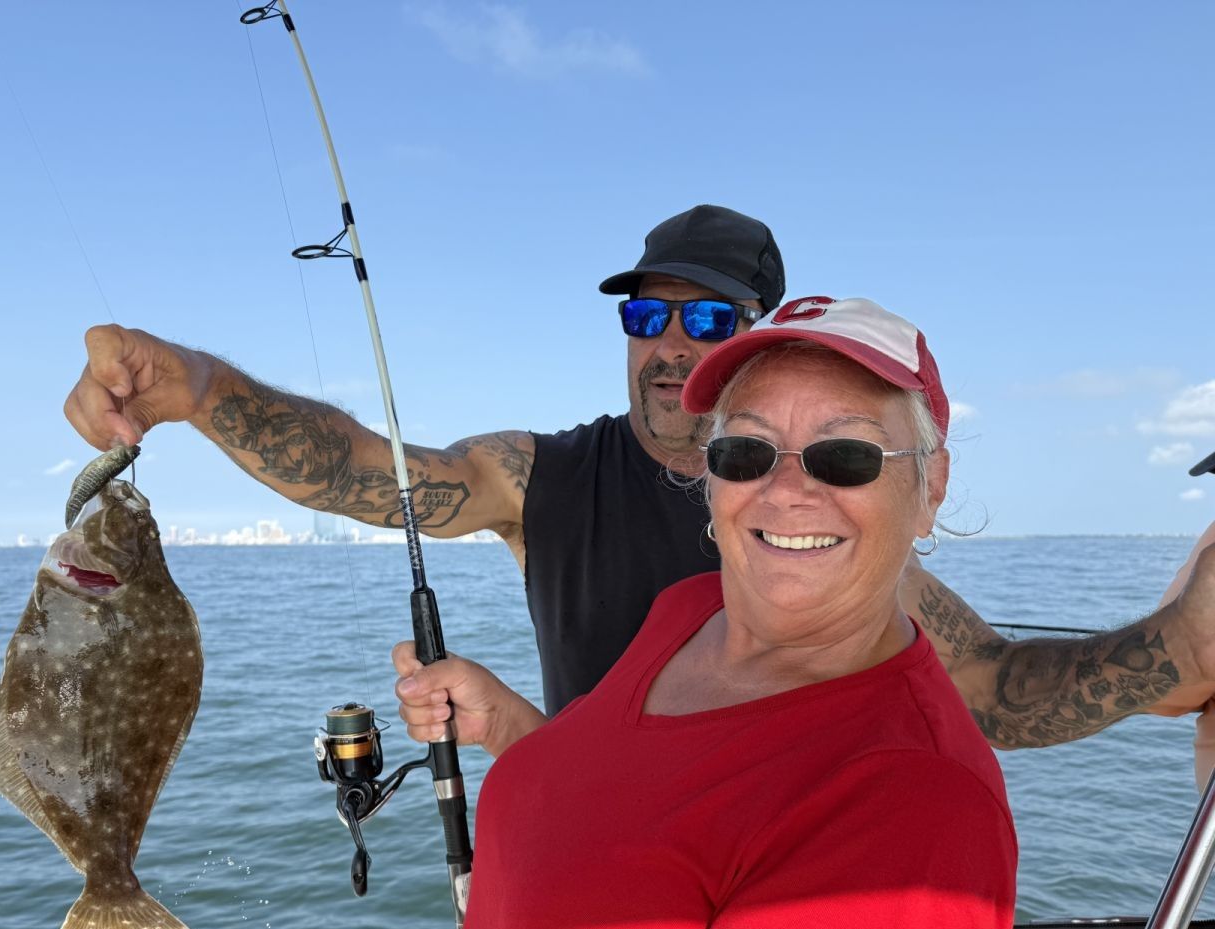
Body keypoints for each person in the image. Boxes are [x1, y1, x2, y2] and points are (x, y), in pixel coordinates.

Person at [64, 203, 1215, 745]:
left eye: (707, 314)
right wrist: (200, 388)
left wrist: (1184, 647)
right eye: (648, 312)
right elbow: (369, 475)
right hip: (601, 845)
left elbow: (995, 688)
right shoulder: (541, 476)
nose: (671, 341)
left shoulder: (832, 524)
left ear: (766, 336)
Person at [393, 297, 1017, 926]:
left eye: (846, 455)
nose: (786, 491)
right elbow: (628, 804)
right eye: (748, 450)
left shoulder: (920, 807)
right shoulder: (689, 610)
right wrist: (505, 724)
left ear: (929, 486)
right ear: (711, 476)